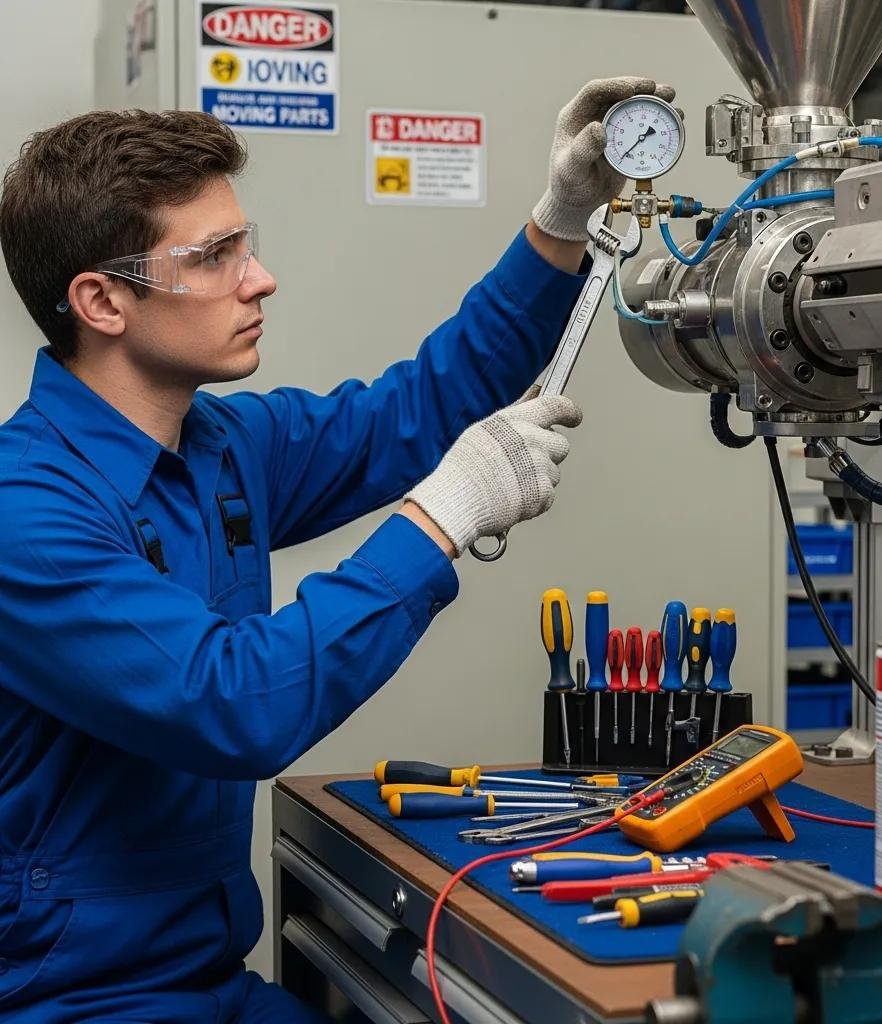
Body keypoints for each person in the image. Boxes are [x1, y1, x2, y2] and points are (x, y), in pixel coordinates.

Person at [0, 76, 673, 1022]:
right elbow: (233, 702)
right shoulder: (25, 511)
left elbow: (424, 406)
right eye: (214, 256)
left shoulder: (223, 450)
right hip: (68, 1003)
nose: (258, 277)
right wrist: (443, 516)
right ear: (102, 301)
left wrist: (559, 221)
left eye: (250, 245)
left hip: (208, 985)